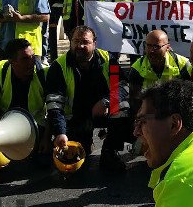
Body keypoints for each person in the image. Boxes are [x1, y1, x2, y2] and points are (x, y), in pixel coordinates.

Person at [46, 26, 130, 171]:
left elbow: (122, 87)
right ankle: (84, 140)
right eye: (76, 41)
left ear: (94, 43)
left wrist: (106, 102)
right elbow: (54, 104)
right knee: (73, 158)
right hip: (75, 115)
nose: (80, 46)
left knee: (122, 106)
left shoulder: (109, 60)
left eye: (85, 42)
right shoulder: (58, 66)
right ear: (70, 42)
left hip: (103, 110)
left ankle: (110, 150)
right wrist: (60, 132)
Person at [0, 38, 46, 128]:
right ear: (12, 61)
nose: (32, 62)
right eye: (25, 59)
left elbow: (54, 114)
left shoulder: (44, 73)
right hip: (5, 127)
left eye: (33, 56)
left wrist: (45, 140)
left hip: (37, 128)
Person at [129, 30, 191, 109]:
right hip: (149, 112)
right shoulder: (137, 69)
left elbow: (189, 98)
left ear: (167, 47)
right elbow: (135, 102)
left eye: (156, 47)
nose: (151, 50)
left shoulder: (183, 65)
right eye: (148, 46)